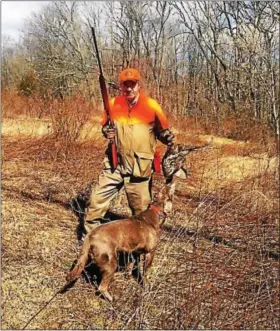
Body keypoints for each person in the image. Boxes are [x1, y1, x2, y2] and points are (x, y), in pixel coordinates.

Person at [83, 68, 175, 234]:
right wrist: (106, 131)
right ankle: (92, 244)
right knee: (95, 202)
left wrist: (167, 137)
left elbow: (163, 132)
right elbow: (105, 127)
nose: (129, 88)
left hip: (139, 170)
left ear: (139, 85)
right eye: (126, 85)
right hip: (114, 165)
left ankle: (137, 255)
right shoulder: (112, 104)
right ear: (121, 86)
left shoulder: (151, 105)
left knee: (142, 216)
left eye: (132, 84)